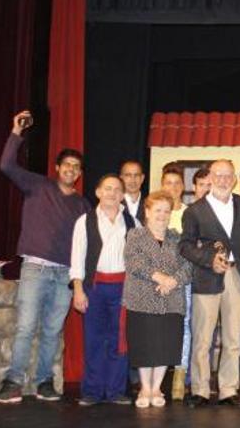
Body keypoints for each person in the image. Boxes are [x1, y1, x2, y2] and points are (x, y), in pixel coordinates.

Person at [0, 111, 91, 404]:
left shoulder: (84, 205)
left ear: (80, 173)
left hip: (64, 274)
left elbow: (86, 245)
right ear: (57, 167)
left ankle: (44, 382)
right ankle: (12, 382)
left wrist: (79, 279)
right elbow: (6, 165)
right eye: (67, 164)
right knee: (25, 327)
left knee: (52, 330)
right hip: (35, 267)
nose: (71, 169)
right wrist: (15, 132)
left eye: (76, 166)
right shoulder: (37, 185)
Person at [179, 159, 240, 407]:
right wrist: (209, 259)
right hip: (207, 277)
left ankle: (228, 390)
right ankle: (199, 389)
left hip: (237, 277)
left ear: (234, 179)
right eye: (218, 175)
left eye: (227, 175)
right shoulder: (194, 211)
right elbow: (185, 246)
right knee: (202, 338)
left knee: (233, 339)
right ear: (210, 177)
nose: (223, 180)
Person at [68, 174, 137, 406]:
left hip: (123, 288)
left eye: (117, 190)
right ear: (98, 192)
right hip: (94, 288)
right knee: (95, 340)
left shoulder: (131, 222)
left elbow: (137, 259)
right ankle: (92, 391)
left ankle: (117, 390)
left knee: (120, 341)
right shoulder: (84, 221)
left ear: (122, 194)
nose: (112, 193)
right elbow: (77, 258)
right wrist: (78, 289)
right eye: (107, 189)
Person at [123, 191, 193, 408]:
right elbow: (133, 262)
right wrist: (160, 277)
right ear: (147, 211)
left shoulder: (178, 238)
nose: (162, 215)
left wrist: (173, 281)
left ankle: (157, 388)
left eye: (166, 211)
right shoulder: (135, 235)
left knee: (165, 346)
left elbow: (188, 265)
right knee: (144, 345)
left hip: (171, 300)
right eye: (157, 210)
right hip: (142, 299)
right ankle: (145, 388)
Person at [160, 166, 191, 400]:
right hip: (159, 279)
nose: (172, 187)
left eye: (176, 183)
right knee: (159, 325)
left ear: (182, 186)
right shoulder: (156, 211)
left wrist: (178, 277)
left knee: (186, 325)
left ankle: (179, 380)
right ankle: (157, 379)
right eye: (168, 183)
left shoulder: (191, 214)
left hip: (184, 279)